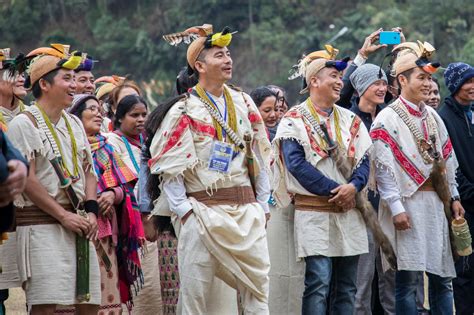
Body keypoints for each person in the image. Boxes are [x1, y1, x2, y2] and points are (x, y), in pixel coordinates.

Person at [152, 23, 272, 314]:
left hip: (247, 212)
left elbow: (260, 153)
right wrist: (186, 213)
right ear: (199, 65)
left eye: (228, 53)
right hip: (203, 214)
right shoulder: (183, 108)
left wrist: (263, 203)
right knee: (196, 298)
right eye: (218, 55)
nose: (227, 59)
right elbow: (171, 167)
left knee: (258, 291)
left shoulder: (244, 102)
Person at [272, 45, 372, 314]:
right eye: (333, 76)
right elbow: (296, 166)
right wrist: (338, 191)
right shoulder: (293, 120)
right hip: (314, 213)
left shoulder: (351, 120)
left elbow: (364, 161)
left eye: (341, 78)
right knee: (318, 282)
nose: (340, 81)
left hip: (349, 211)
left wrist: (353, 187)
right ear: (314, 80)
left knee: (348, 286)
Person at [6, 46, 101, 314]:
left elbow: (89, 172)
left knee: (89, 304)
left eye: (75, 78)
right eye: (67, 78)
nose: (74, 85)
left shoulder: (74, 123)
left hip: (79, 223)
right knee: (45, 306)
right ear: (44, 84)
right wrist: (62, 215)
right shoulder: (23, 124)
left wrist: (91, 212)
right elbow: (27, 179)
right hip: (42, 225)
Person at [370, 41, 463, 314]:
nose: (427, 83)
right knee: (407, 280)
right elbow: (384, 168)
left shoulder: (432, 116)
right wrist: (396, 208)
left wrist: (454, 197)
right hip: (407, 206)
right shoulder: (387, 118)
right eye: (421, 77)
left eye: (430, 78)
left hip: (435, 205)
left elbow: (447, 161)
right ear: (401, 79)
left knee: (442, 278)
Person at [69, 94, 145, 314]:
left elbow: (128, 188)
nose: (98, 113)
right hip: (74, 227)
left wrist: (113, 194)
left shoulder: (106, 148)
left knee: (107, 299)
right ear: (75, 116)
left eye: (99, 109)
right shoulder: (68, 147)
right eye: (91, 109)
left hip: (105, 234)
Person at [348, 63, 396, 315]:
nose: (381, 88)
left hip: (389, 208)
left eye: (383, 83)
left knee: (392, 282)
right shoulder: (348, 120)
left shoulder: (388, 118)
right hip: (361, 211)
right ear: (360, 88)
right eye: (375, 84)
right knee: (361, 283)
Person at [438, 62, 474, 315]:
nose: (472, 86)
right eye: (467, 82)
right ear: (454, 86)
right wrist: (464, 192)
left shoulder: (472, 112)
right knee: (465, 269)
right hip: (462, 205)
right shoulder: (443, 117)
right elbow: (447, 163)